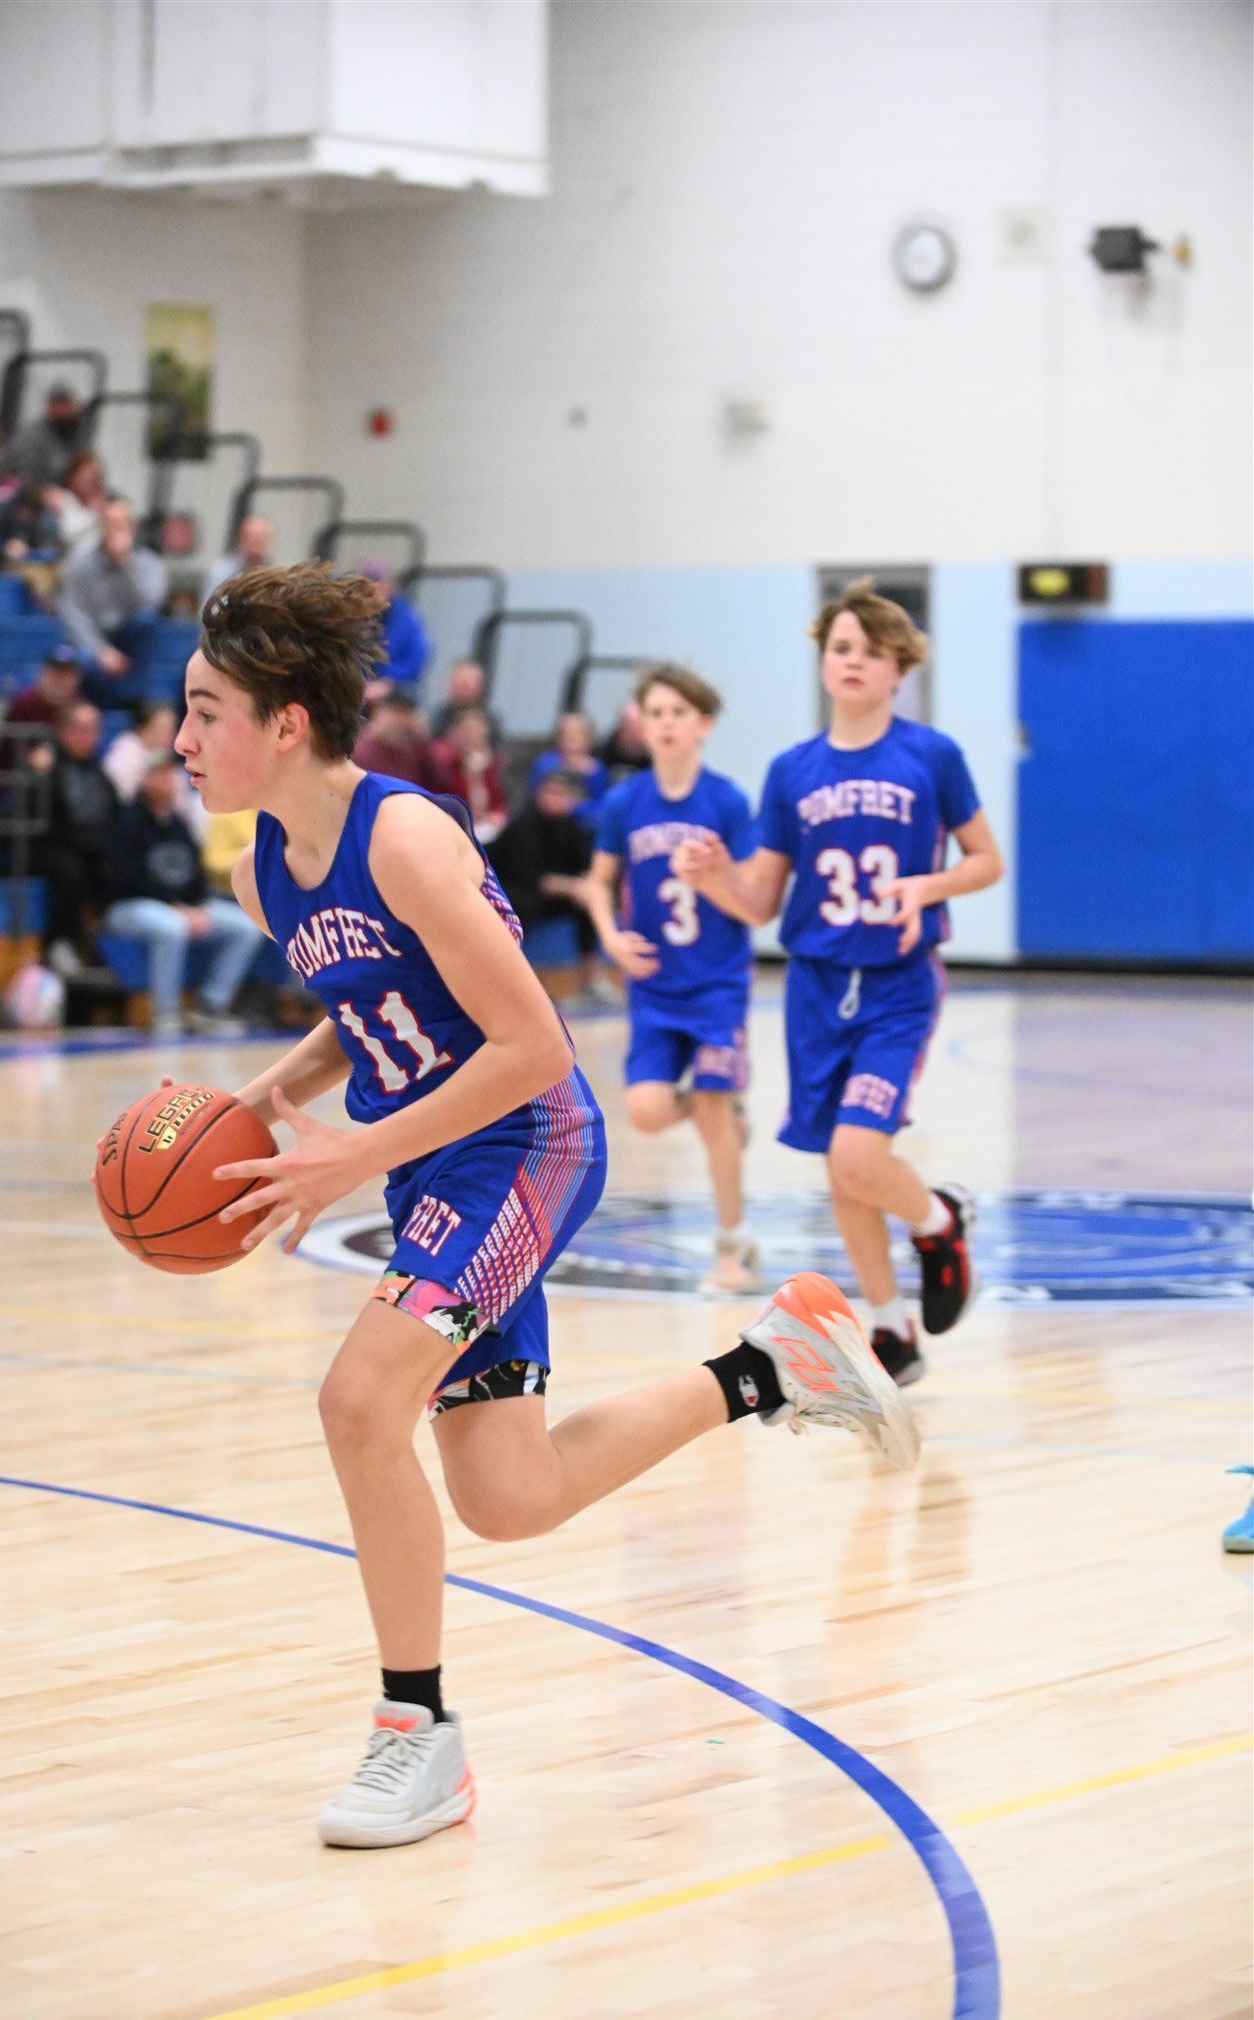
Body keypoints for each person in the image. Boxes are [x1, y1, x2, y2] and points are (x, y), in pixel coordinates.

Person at [166, 562, 917, 1851]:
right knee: (508, 1494)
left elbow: (531, 1046)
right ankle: (773, 1361)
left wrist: (349, 1158)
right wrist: (257, 1101)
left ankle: (417, 1734)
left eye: (204, 709)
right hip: (438, 1160)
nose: (180, 738)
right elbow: (370, 1009)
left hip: (526, 1140)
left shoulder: (404, 837)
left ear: (286, 721)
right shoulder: (265, 872)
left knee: (358, 1402)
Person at [675, 579, 1004, 1386]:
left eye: (872, 651)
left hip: (897, 984)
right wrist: (716, 879)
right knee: (840, 1165)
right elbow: (760, 900)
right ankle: (891, 1330)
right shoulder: (791, 769)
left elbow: (986, 860)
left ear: (900, 668)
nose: (854, 661)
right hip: (815, 986)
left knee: (860, 1153)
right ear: (823, 661)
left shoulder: (931, 755)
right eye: (841, 647)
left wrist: (928, 887)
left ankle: (938, 1218)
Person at [586, 664, 758, 1293]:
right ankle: (727, 1116)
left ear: (703, 724)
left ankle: (733, 1249)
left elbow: (752, 902)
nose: (665, 724)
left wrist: (714, 879)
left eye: (678, 713)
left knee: (710, 1104)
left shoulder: (727, 801)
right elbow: (598, 882)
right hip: (654, 987)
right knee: (647, 1112)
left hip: (717, 985)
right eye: (655, 712)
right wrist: (610, 937)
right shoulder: (624, 802)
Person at [104, 753, 262, 1037]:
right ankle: (165, 1013)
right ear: (144, 779)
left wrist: (197, 905)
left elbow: (195, 873)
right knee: (172, 927)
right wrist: (175, 906)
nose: (167, 780)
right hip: (128, 906)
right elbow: (124, 878)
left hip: (181, 906)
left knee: (246, 927)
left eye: (170, 773)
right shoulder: (126, 821)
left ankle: (210, 1005)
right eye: (159, 773)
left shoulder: (178, 823)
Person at [488, 768, 604, 993]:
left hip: (551, 893)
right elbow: (530, 877)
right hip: (510, 890)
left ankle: (590, 980)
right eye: (551, 793)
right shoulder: (523, 825)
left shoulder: (571, 825)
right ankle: (512, 981)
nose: (556, 799)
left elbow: (583, 868)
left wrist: (586, 888)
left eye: (562, 794)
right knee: (522, 905)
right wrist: (573, 887)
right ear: (539, 795)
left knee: (587, 904)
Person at [30, 698, 121, 975]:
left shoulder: (98, 769)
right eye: (82, 728)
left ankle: (106, 946)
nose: (89, 736)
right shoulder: (45, 764)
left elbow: (114, 811)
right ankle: (57, 944)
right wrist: (38, 774)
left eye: (94, 729)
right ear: (63, 730)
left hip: (92, 846)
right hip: (51, 847)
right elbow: (38, 816)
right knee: (70, 871)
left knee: (116, 866)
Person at [57, 498, 169, 706]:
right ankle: (123, 702)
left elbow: (151, 602)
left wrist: (125, 564)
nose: (117, 529)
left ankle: (132, 701)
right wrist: (100, 650)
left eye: (123, 523)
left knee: (148, 620)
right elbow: (73, 613)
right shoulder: (79, 561)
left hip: (127, 639)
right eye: (111, 523)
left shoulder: (148, 563)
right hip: (93, 640)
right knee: (82, 660)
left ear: (133, 527)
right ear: (101, 526)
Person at [103, 697, 204, 836]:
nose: (171, 734)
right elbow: (120, 803)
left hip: (169, 826)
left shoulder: (167, 756)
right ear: (143, 728)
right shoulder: (123, 758)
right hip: (131, 828)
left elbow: (182, 808)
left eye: (172, 728)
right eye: (163, 728)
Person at [426, 704, 508, 842]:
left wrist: (498, 814)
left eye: (475, 727)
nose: (471, 733)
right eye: (465, 728)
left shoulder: (499, 763)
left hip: (494, 826)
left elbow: (505, 797)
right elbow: (444, 796)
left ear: (485, 729)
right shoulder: (448, 764)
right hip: (458, 825)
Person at [359, 559, 430, 696]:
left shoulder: (408, 619)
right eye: (368, 583)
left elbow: (416, 661)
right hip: (359, 687)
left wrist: (388, 682)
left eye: (378, 582)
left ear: (390, 585)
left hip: (397, 688)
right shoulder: (354, 618)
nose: (374, 588)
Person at [0, 382, 86, 486]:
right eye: (59, 405)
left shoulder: (75, 436)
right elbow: (21, 473)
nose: (65, 411)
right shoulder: (31, 436)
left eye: (67, 405)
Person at [530, 709, 610, 824]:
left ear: (589, 738)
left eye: (578, 733)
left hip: (580, 826)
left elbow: (601, 807)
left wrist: (573, 807)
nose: (571, 738)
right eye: (566, 733)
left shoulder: (596, 770)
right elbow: (534, 797)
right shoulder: (545, 763)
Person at [351, 690, 435, 786]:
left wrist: (424, 738)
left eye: (405, 714)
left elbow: (436, 784)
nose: (400, 721)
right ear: (379, 713)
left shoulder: (414, 750)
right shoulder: (360, 751)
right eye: (396, 712)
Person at [201, 513, 275, 605]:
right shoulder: (222, 573)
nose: (257, 544)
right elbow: (209, 607)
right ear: (241, 540)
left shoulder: (274, 577)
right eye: (253, 539)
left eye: (262, 538)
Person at [429, 659, 503, 746]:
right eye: (458, 682)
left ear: (479, 687)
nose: (462, 689)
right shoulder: (439, 716)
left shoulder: (490, 722)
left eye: (467, 684)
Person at [50, 451, 106, 559]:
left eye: (92, 478)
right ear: (72, 477)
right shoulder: (63, 499)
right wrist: (94, 514)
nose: (88, 482)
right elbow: (67, 534)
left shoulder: (106, 503)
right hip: (70, 559)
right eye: (84, 477)